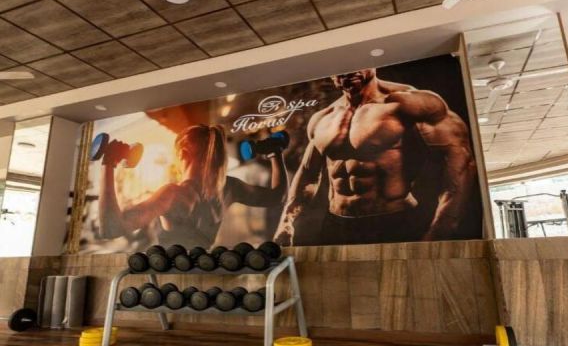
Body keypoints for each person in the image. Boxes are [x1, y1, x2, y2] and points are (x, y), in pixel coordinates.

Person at [274, 68, 476, 246]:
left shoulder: (409, 103)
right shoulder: (323, 117)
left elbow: (462, 162)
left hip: (395, 221)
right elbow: (308, 174)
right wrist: (286, 222)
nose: (348, 70)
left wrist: (441, 230)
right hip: (337, 223)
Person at [99, 124, 287, 247]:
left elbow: (111, 229)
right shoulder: (229, 187)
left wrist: (109, 162)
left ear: (182, 153)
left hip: (171, 276)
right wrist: (275, 153)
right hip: (202, 269)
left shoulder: (173, 194)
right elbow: (278, 197)